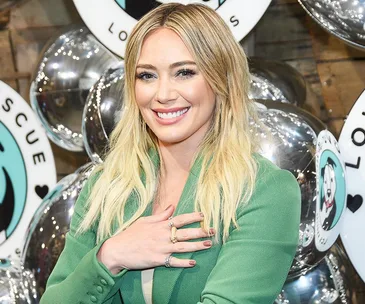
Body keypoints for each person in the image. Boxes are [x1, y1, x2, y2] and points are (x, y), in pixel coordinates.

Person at [40, 3, 301, 304]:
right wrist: (110, 256)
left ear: (222, 79)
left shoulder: (264, 191)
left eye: (184, 73)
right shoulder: (106, 186)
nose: (163, 94)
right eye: (147, 76)